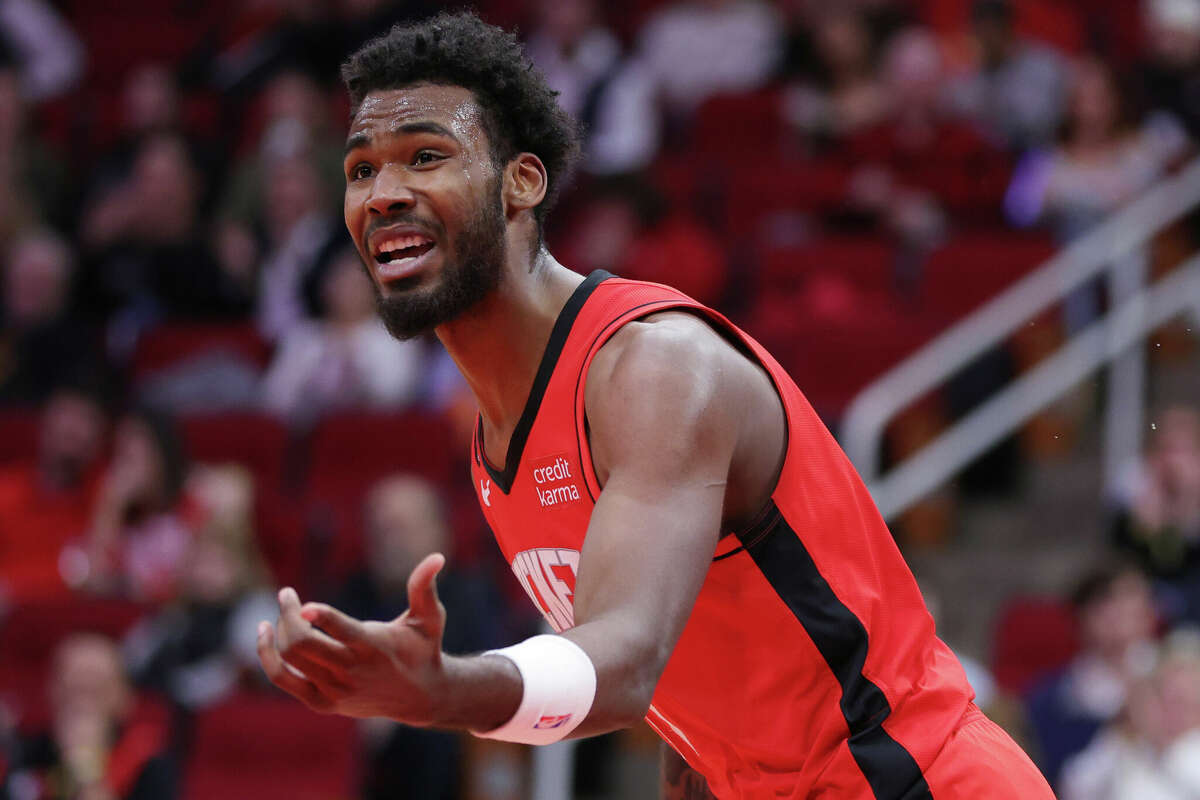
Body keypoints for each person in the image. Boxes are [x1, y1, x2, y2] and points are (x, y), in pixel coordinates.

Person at [256, 13, 1054, 798]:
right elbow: (681, 667)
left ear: (521, 183)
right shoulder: (493, 440)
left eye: (424, 157)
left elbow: (626, 659)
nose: (384, 194)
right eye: (362, 170)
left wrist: (440, 691)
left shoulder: (653, 368)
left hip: (912, 778)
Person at [0, 633, 176, 800]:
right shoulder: (23, 754)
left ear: (125, 699)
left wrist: (84, 762)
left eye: (97, 690)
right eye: (74, 687)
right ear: (52, 690)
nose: (82, 704)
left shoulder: (148, 763)